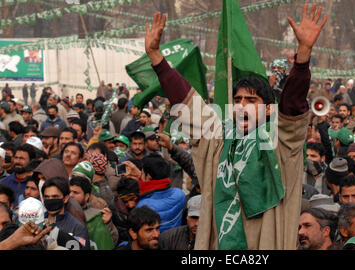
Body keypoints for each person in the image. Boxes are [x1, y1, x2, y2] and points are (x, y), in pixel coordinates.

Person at [145, 4, 328, 250]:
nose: (241, 106)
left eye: (251, 101)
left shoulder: (280, 142)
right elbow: (188, 104)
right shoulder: (218, 140)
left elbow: (293, 104)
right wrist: (156, 57)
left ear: (269, 109)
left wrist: (303, 54)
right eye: (237, 100)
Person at [136, 156, 186, 233]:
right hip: (175, 239)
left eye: (142, 171)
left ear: (148, 176)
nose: (140, 175)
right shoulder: (180, 194)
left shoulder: (142, 205)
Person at [69, 176, 118, 249]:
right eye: (69, 192)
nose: (71, 195)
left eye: (75, 192)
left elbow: (111, 242)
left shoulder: (96, 216)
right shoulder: (60, 212)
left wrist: (108, 224)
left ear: (86, 196)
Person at [41, 177, 90, 250]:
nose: (50, 200)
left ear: (65, 198)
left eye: (55, 196)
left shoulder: (77, 228)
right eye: (47, 197)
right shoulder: (38, 222)